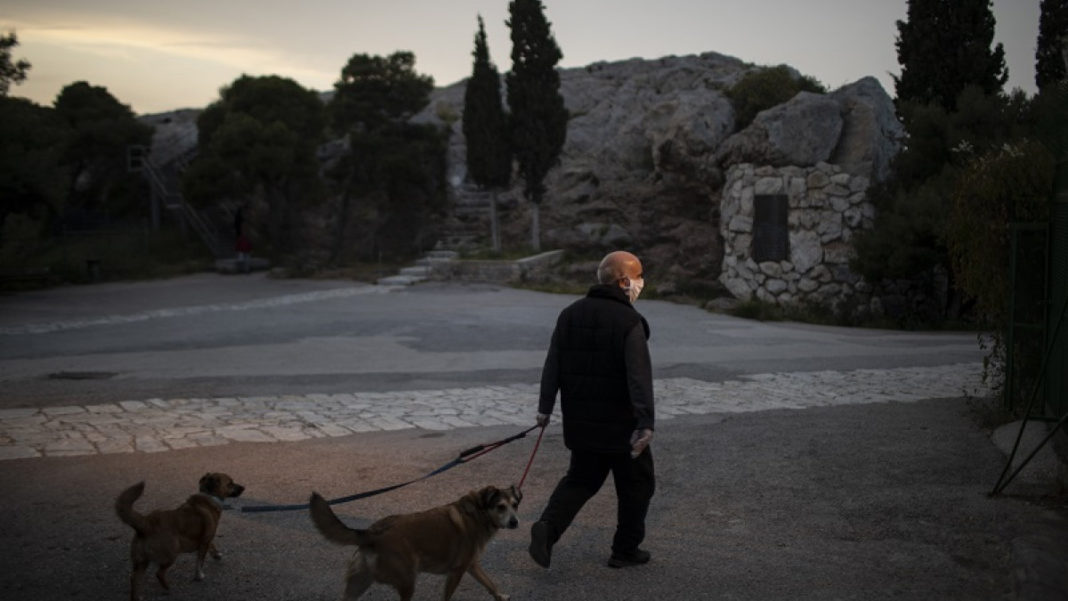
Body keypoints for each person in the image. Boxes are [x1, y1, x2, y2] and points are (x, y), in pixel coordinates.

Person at [529, 250, 655, 569]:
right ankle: (625, 549)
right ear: (623, 281)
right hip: (622, 426)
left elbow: (552, 364)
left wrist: (544, 409)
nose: (641, 283)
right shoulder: (630, 321)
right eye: (638, 277)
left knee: (581, 480)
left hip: (582, 424)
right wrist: (645, 422)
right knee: (637, 485)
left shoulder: (569, 314)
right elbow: (638, 376)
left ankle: (547, 528)